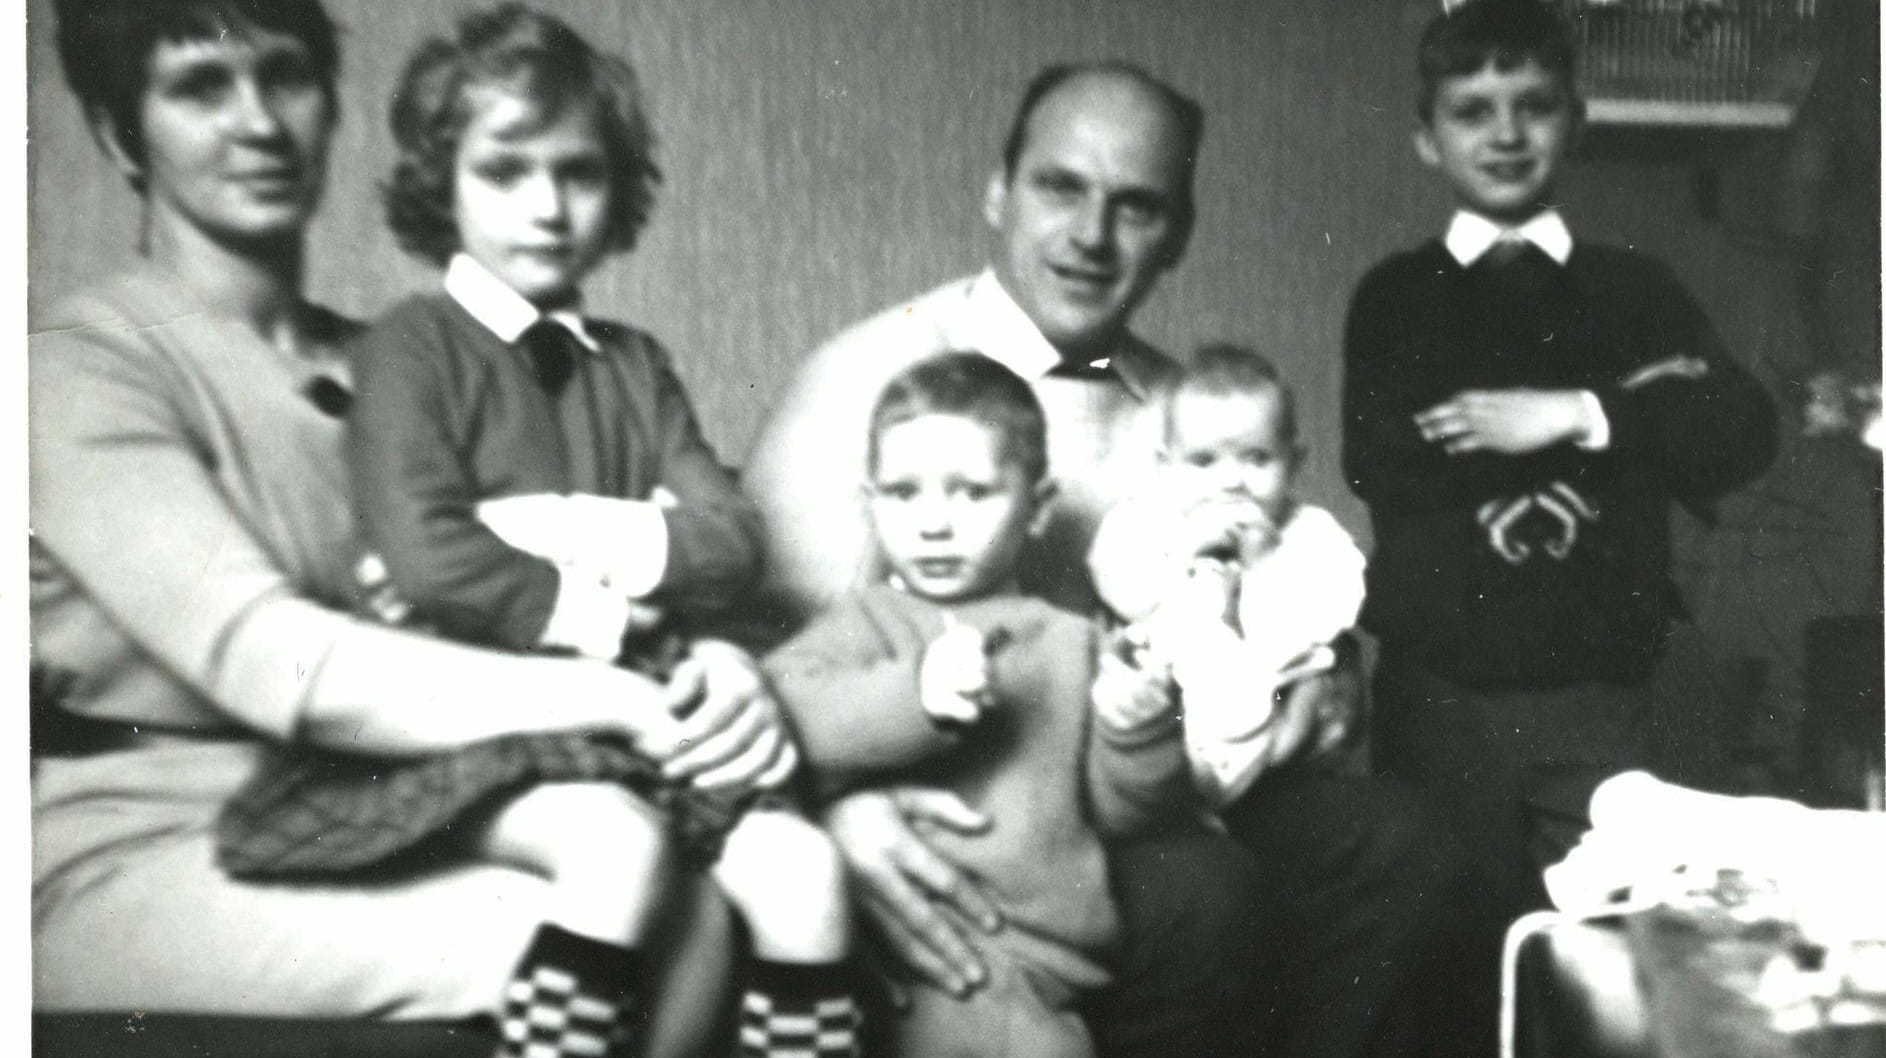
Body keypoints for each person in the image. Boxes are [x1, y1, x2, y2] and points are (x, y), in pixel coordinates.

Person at [30, 3, 787, 1055]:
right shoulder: (74, 369)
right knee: (569, 937)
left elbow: (590, 555)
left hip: (398, 798)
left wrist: (712, 663)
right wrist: (626, 694)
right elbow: (279, 661)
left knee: (701, 907)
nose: (257, 121)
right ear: (120, 133)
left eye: (285, 75)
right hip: (148, 838)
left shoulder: (403, 360)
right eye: (199, 86)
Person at [746, 60, 1452, 1058]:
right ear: (997, 191)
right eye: (1059, 188)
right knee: (1206, 896)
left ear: (1178, 234)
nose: (1089, 236)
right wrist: (842, 817)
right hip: (952, 815)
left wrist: (1317, 688)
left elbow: (1277, 585)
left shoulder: (1185, 408)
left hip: (1136, 786)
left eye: (1134, 207)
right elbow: (774, 666)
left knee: (1390, 842)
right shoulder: (865, 377)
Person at [206, 9, 860, 1056]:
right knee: (616, 845)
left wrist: (550, 527)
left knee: (807, 873)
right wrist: (623, 585)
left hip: (631, 708)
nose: (547, 207)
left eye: (579, 173)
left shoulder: (634, 365)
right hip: (463, 708)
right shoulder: (410, 348)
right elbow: (427, 555)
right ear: (442, 184)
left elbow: (733, 540)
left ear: (617, 190)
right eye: (505, 171)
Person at [1342, 0, 1779, 1050]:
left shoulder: (1637, 287)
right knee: (1446, 965)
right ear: (1425, 136)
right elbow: (1386, 459)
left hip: (1598, 692)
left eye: (1532, 106)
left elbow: (1735, 429)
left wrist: (1575, 413)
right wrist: (1635, 405)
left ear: (1574, 122)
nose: (1503, 133)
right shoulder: (1395, 297)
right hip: (1441, 698)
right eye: (1472, 109)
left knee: (1610, 968)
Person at [766, 352, 1190, 1057]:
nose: (933, 523)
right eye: (903, 494)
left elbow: (1126, 814)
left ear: (1038, 507)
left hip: (1043, 967)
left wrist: (1135, 728)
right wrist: (914, 698)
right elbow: (780, 711)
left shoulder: (1073, 642)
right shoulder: (864, 622)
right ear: (870, 503)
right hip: (908, 955)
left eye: (970, 493)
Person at [1088, 344, 1367, 809]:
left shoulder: (1310, 534)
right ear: (1166, 466)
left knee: (1301, 705)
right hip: (1173, 706)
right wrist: (1183, 554)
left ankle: (1252, 780)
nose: (1232, 481)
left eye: (1257, 459)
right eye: (1204, 461)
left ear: (1294, 463)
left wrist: (1263, 564)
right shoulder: (1143, 523)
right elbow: (1121, 588)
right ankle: (1185, 796)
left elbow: (1327, 617)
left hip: (1271, 697)